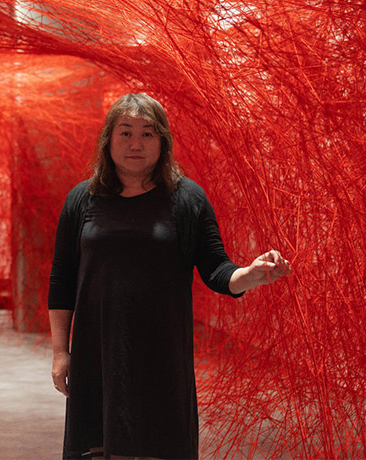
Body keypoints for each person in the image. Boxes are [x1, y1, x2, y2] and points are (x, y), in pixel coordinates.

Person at [47, 93, 291, 460]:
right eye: (125, 133)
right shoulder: (82, 199)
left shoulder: (187, 199)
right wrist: (60, 353)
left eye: (148, 134)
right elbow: (62, 279)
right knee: (96, 445)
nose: (136, 144)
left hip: (161, 353)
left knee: (160, 443)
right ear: (108, 140)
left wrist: (250, 275)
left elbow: (217, 269)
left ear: (163, 141)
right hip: (96, 350)